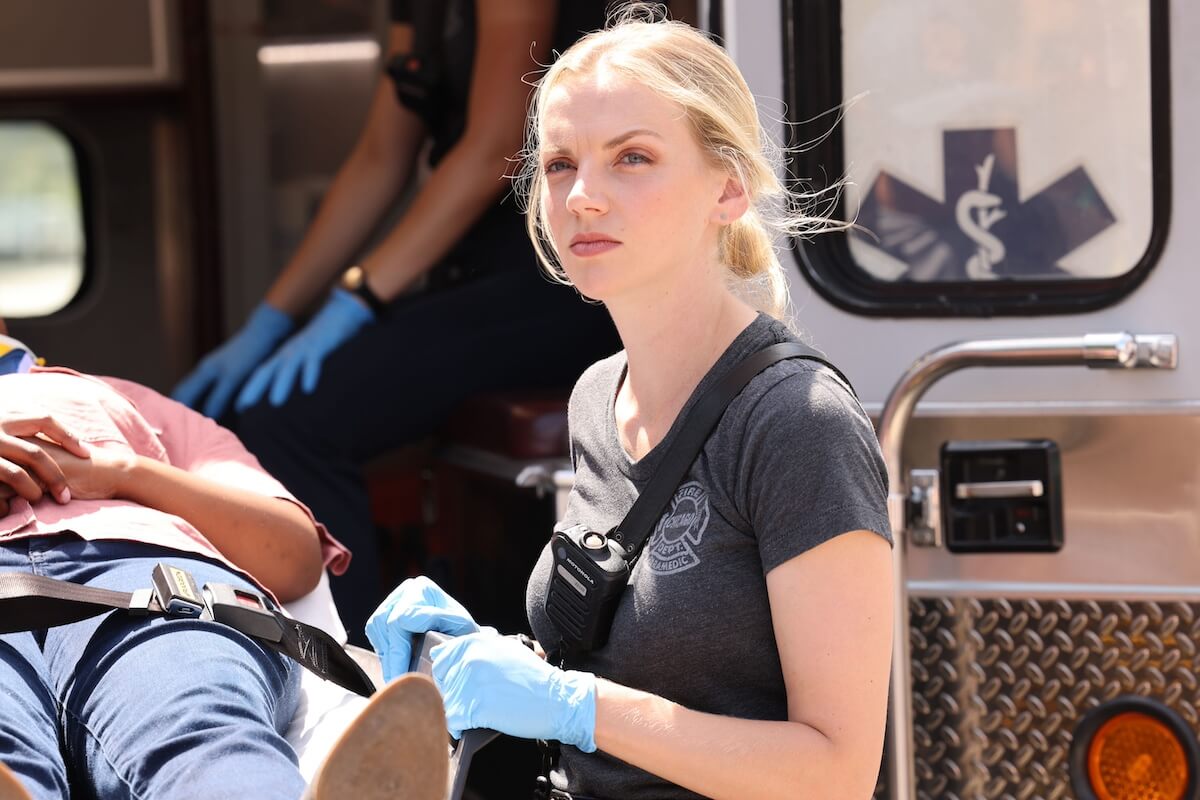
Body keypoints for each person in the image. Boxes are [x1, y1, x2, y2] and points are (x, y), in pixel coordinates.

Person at [366, 11, 896, 800]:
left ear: (728, 186)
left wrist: (573, 706)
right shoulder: (594, 399)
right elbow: (628, 669)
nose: (582, 196)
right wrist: (484, 657)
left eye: (633, 159)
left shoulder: (796, 421)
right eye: (559, 164)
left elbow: (837, 774)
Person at [171, 0, 619, 638]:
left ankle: (355, 682)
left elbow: (497, 145)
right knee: (249, 409)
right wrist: (272, 319)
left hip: (561, 276)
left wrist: (360, 297)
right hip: (472, 278)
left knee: (295, 422)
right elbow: (383, 154)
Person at [0, 320, 449, 800]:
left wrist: (124, 473)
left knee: (193, 724)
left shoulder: (123, 400)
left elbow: (294, 556)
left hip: (153, 588)